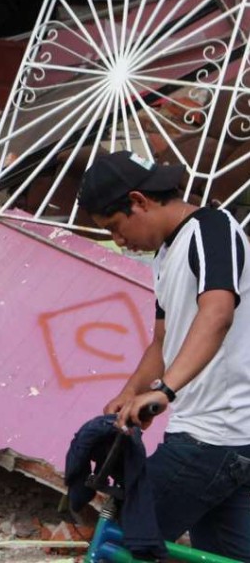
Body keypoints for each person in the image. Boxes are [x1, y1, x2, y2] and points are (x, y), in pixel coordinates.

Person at [76, 150, 250, 560]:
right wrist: (131, 391)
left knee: (119, 542)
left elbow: (218, 312)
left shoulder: (212, 229)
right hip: (225, 438)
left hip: (211, 434)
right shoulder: (166, 254)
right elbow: (162, 340)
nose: (119, 241)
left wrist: (166, 391)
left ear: (139, 200)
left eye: (116, 228)